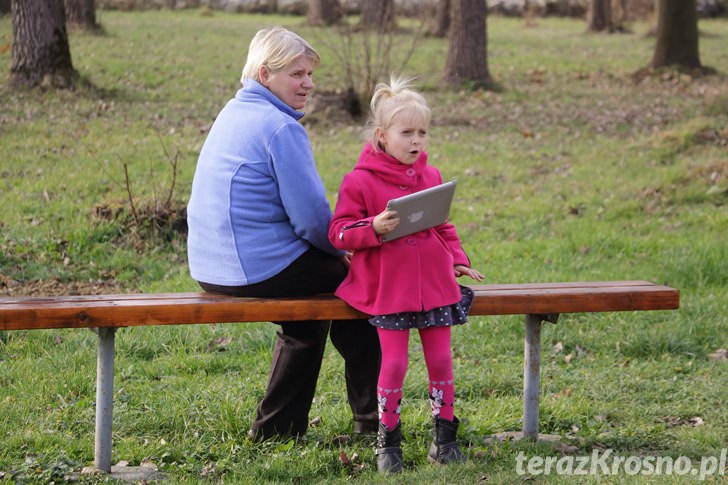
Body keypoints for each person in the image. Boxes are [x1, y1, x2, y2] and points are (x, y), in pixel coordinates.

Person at [186, 27, 381, 441]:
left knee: (307, 321)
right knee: (363, 288)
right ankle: (371, 422)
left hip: (209, 265)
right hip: (256, 266)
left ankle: (278, 429)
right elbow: (312, 221)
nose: (308, 83)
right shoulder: (279, 127)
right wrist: (344, 253)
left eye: (309, 74)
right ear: (264, 74)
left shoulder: (234, 112)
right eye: (296, 74)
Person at [328, 76, 484, 474]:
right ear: (382, 135)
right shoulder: (359, 180)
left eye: (423, 133)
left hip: (434, 286)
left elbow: (442, 226)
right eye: (407, 132)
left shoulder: (431, 177)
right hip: (390, 289)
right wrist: (373, 228)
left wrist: (457, 258)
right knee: (394, 363)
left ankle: (444, 439)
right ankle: (388, 442)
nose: (417, 141)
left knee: (441, 359)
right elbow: (338, 232)